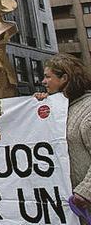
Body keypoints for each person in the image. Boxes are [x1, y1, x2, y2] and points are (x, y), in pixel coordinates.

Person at [35, 53, 91, 213]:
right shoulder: (61, 109)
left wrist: (86, 190)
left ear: (64, 78)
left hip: (83, 202)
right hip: (73, 206)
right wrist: (36, 109)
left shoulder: (87, 109)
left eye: (47, 77)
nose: (43, 81)